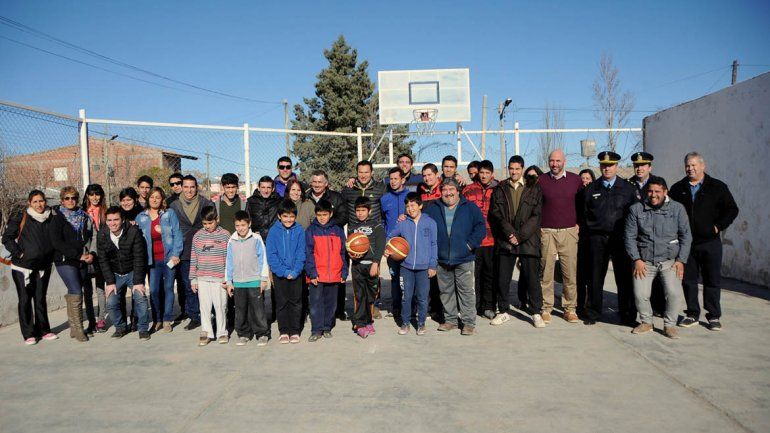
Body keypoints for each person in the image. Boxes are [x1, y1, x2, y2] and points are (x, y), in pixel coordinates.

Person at [669, 152, 738, 331]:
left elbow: (732, 209)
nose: (690, 169)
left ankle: (713, 316)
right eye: (687, 165)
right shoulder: (678, 188)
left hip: (710, 242)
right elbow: (670, 212)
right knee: (688, 280)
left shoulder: (717, 187)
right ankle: (692, 313)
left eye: (693, 165)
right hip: (687, 244)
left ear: (702, 166)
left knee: (712, 279)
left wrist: (719, 226)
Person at [625, 178, 692, 339]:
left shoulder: (677, 209)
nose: (653, 195)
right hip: (644, 260)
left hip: (670, 260)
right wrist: (637, 260)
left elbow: (686, 236)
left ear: (665, 192)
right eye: (650, 191)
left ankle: (669, 325)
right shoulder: (636, 210)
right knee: (640, 294)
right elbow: (629, 237)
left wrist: (681, 260)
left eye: (657, 192)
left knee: (674, 293)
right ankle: (646, 322)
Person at [424, 177, 486, 335]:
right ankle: (450, 320)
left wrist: (469, 245)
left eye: (451, 189)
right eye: (445, 190)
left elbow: (480, 228)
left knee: (465, 291)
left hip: (464, 258)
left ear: (458, 191)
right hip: (442, 258)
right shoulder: (433, 208)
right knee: (446, 291)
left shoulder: (470, 207)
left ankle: (468, 322)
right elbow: (421, 222)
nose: (448, 193)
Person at [489, 156, 545, 328]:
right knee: (503, 278)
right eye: (511, 168)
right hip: (506, 240)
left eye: (517, 169)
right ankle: (503, 311)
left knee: (532, 278)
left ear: (522, 169)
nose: (514, 172)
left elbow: (536, 215)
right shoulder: (500, 188)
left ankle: (536, 312)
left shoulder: (534, 188)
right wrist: (510, 234)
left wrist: (520, 236)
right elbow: (496, 214)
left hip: (528, 240)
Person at [583, 151, 637, 326]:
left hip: (620, 239)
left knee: (624, 278)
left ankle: (627, 314)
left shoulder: (628, 189)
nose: (607, 169)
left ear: (617, 166)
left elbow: (634, 215)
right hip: (597, 239)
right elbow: (584, 215)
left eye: (611, 165)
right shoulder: (591, 189)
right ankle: (593, 311)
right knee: (595, 276)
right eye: (604, 165)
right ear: (600, 166)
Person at [2, 190, 56, 345]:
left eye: (42, 201)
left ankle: (44, 330)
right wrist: (18, 253)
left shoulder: (50, 217)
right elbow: (7, 238)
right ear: (29, 203)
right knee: (25, 300)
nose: (39, 204)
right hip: (22, 268)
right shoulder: (22, 216)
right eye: (35, 202)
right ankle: (28, 334)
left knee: (40, 299)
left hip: (43, 267)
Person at [537, 149, 583, 324]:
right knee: (546, 271)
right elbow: (537, 206)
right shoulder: (541, 181)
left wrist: (579, 224)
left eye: (558, 161)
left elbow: (581, 204)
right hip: (547, 231)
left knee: (569, 272)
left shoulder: (575, 180)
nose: (554, 164)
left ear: (564, 161)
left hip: (569, 231)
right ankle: (546, 307)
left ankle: (570, 308)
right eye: (551, 161)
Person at [386, 192, 438, 335]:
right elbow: (390, 237)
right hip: (406, 267)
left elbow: (434, 245)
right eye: (407, 206)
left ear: (420, 205)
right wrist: (388, 248)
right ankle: (405, 323)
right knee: (406, 297)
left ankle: (421, 324)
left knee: (422, 298)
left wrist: (433, 265)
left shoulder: (430, 223)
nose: (410, 208)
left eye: (413, 205)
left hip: (423, 267)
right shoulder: (402, 224)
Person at [50, 186, 96, 342]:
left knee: (74, 291)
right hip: (65, 260)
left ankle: (73, 327)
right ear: (62, 200)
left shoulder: (83, 216)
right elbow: (56, 242)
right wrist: (77, 255)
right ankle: (78, 329)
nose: (71, 201)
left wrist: (90, 254)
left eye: (73, 198)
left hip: (82, 258)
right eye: (67, 198)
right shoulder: (57, 218)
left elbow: (89, 237)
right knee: (76, 291)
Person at [341, 160, 385, 320]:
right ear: (356, 173)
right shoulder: (349, 189)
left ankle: (374, 305)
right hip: (355, 237)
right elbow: (340, 207)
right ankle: (359, 309)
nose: (363, 175)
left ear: (372, 172)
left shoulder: (381, 188)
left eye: (366, 172)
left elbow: (385, 209)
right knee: (358, 276)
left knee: (374, 274)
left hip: (373, 237)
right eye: (360, 172)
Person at [97, 206, 149, 340]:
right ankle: (120, 328)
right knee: (111, 302)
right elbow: (103, 260)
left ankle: (143, 328)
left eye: (116, 219)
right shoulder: (102, 234)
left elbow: (139, 256)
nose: (112, 223)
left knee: (140, 298)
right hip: (115, 274)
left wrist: (138, 282)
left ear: (122, 220)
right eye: (109, 220)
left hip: (133, 272)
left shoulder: (133, 232)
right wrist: (110, 282)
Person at [169, 174, 214, 330]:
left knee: (208, 284)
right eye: (186, 187)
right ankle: (194, 316)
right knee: (189, 286)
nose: (189, 190)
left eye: (192, 187)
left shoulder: (206, 203)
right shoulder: (174, 206)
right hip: (184, 251)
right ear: (182, 187)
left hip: (205, 250)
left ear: (197, 187)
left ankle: (211, 314)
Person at [135, 187, 182, 333]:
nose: (155, 199)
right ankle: (157, 319)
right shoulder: (141, 217)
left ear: (162, 199)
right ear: (148, 198)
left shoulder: (169, 214)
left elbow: (177, 234)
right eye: (152, 197)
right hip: (151, 261)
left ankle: (167, 319)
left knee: (168, 288)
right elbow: (136, 237)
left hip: (168, 258)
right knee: (154, 290)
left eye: (158, 197)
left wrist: (176, 254)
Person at [628, 152, 667, 316]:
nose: (639, 168)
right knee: (636, 274)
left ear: (649, 167)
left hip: (655, 235)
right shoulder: (628, 184)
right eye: (636, 165)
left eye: (643, 165)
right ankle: (636, 307)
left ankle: (658, 307)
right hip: (636, 235)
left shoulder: (657, 183)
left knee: (657, 275)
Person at [304, 199, 348, 342]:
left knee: (331, 303)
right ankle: (316, 329)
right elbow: (308, 253)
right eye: (319, 214)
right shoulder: (311, 230)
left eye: (325, 214)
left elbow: (343, 253)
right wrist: (312, 272)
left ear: (331, 214)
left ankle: (327, 327)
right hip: (317, 274)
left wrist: (344, 271)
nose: (322, 217)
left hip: (334, 274)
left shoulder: (338, 230)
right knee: (316, 303)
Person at [226, 210, 271, 346]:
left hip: (254, 281)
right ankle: (244, 333)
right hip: (238, 282)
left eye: (243, 225)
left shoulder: (256, 239)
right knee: (240, 310)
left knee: (258, 310)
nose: (240, 228)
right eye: (238, 225)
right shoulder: (231, 240)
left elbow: (263, 259)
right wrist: (229, 281)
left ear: (249, 224)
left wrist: (263, 279)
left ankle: (262, 333)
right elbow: (229, 262)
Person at [462, 159, 498, 319]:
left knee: (489, 275)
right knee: (473, 277)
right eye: (481, 173)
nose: (483, 176)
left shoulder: (498, 189)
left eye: (487, 173)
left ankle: (488, 306)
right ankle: (474, 307)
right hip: (474, 241)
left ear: (492, 174)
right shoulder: (468, 190)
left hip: (492, 240)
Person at [189, 206, 230, 346]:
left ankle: (222, 332)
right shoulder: (198, 236)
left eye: (210, 223)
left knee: (221, 306)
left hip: (219, 278)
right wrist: (193, 278)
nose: (207, 226)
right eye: (204, 224)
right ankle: (206, 332)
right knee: (205, 307)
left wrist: (228, 278)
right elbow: (194, 257)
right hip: (202, 278)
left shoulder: (225, 235)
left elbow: (229, 259)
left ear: (217, 219)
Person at [266, 201, 306, 344]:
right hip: (280, 275)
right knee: (282, 302)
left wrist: (295, 271)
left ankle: (295, 330)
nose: (288, 219)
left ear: (295, 216)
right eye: (285, 216)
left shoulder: (300, 230)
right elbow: (271, 254)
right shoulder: (273, 231)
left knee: (296, 302)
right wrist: (283, 271)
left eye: (291, 216)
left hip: (296, 274)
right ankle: (283, 330)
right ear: (279, 216)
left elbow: (302, 252)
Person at [347, 197, 385, 338]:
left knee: (371, 296)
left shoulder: (377, 226)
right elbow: (349, 246)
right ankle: (359, 324)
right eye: (358, 210)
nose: (360, 213)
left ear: (369, 211)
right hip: (357, 266)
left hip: (372, 266)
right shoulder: (352, 227)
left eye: (363, 210)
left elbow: (380, 246)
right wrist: (351, 254)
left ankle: (369, 321)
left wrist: (376, 263)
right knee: (359, 296)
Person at [380, 167, 409, 319]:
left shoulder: (410, 196)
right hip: (392, 244)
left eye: (396, 178)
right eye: (391, 179)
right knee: (395, 277)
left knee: (410, 277)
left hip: (408, 243)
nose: (393, 181)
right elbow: (383, 221)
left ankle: (411, 307)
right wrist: (386, 241)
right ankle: (396, 307)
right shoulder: (384, 199)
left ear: (403, 179)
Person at [83, 183, 107, 333]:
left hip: (102, 254)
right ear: (87, 196)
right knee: (87, 290)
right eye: (91, 194)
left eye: (97, 194)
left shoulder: (106, 211)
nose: (95, 197)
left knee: (100, 289)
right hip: (86, 255)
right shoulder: (82, 213)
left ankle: (101, 319)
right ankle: (91, 321)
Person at [576, 168, 596, 316]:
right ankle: (579, 304)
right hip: (578, 238)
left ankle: (591, 303)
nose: (585, 181)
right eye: (582, 178)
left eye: (588, 178)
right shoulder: (576, 196)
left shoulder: (597, 195)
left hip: (593, 239)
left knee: (592, 274)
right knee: (579, 275)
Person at [246, 175, 281, 241]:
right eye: (263, 187)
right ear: (258, 188)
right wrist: (252, 233)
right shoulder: (251, 202)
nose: (266, 190)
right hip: (256, 240)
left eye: (268, 187)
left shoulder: (279, 201)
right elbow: (246, 221)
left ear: (273, 189)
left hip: (275, 239)